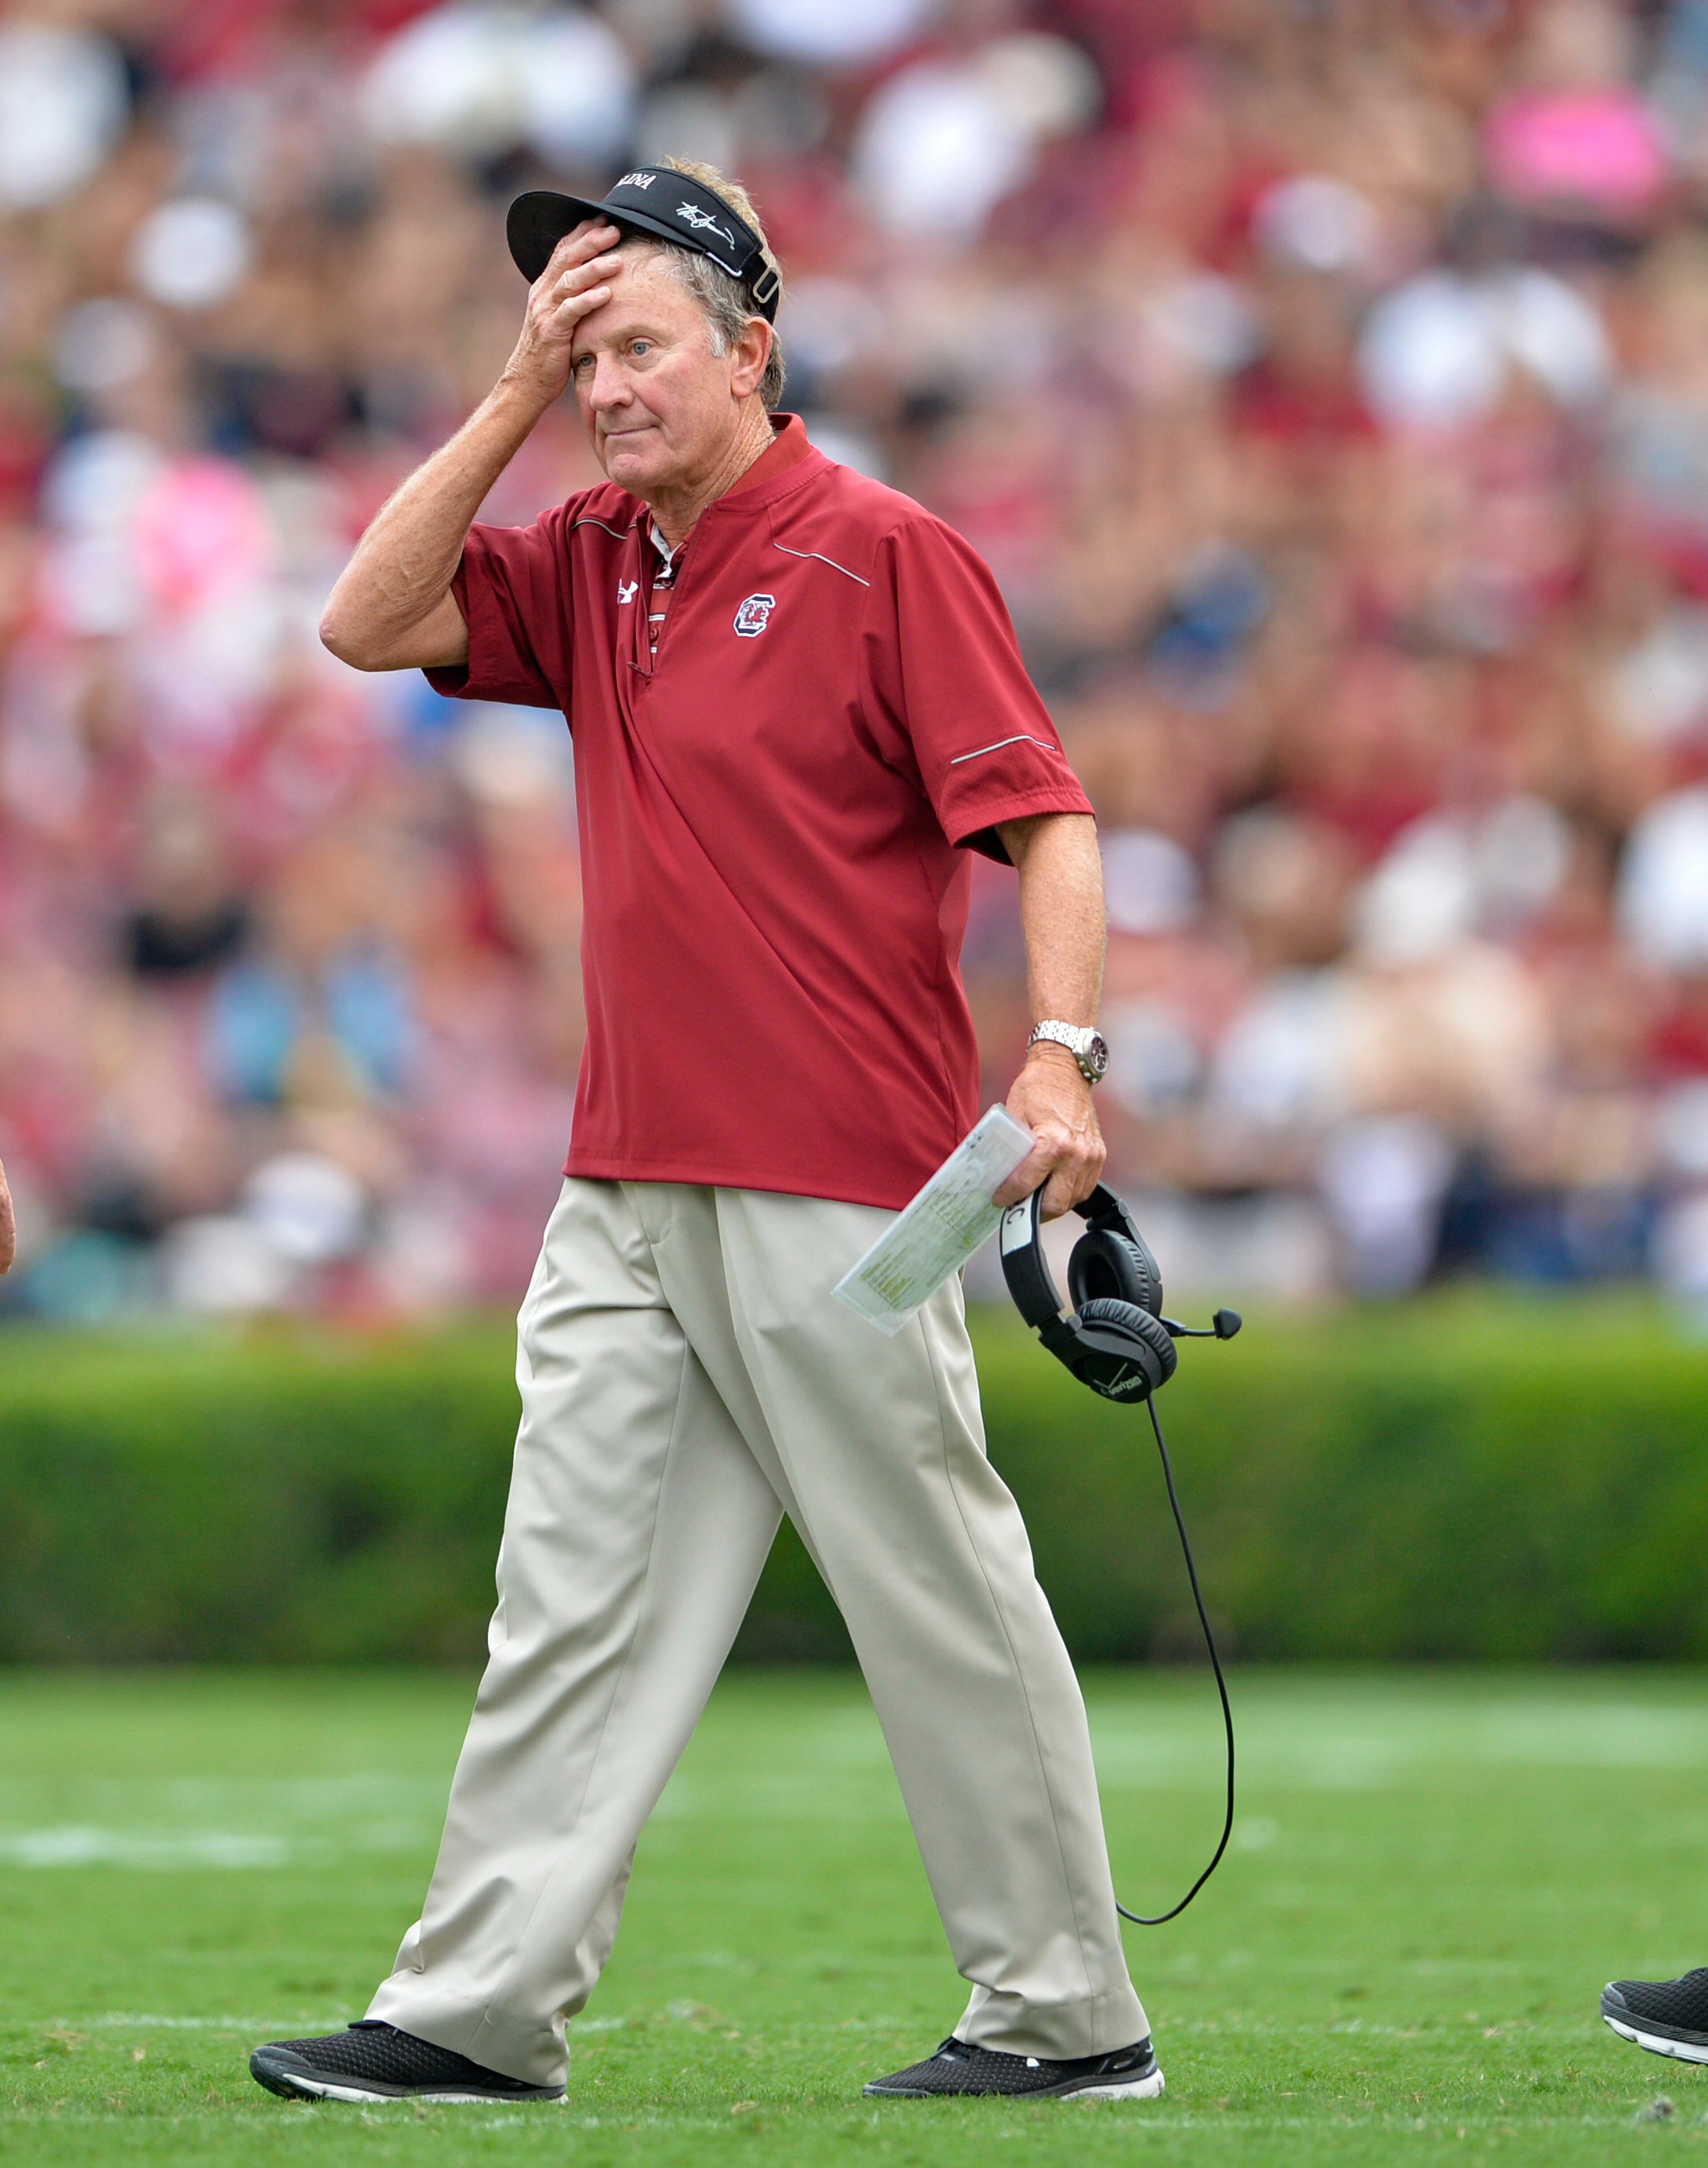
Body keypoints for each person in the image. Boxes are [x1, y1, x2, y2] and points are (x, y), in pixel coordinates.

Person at [249, 159, 1160, 2111]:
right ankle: (478, 2014)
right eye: (586, 356)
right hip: (626, 1176)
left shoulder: (881, 548)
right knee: (565, 1605)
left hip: (842, 1172)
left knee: (935, 1591)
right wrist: (505, 395)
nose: (608, 388)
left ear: (756, 346)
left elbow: (1048, 816)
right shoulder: (588, 551)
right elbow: (362, 619)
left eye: (640, 344)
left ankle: (1069, 2014)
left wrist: (1064, 1050)